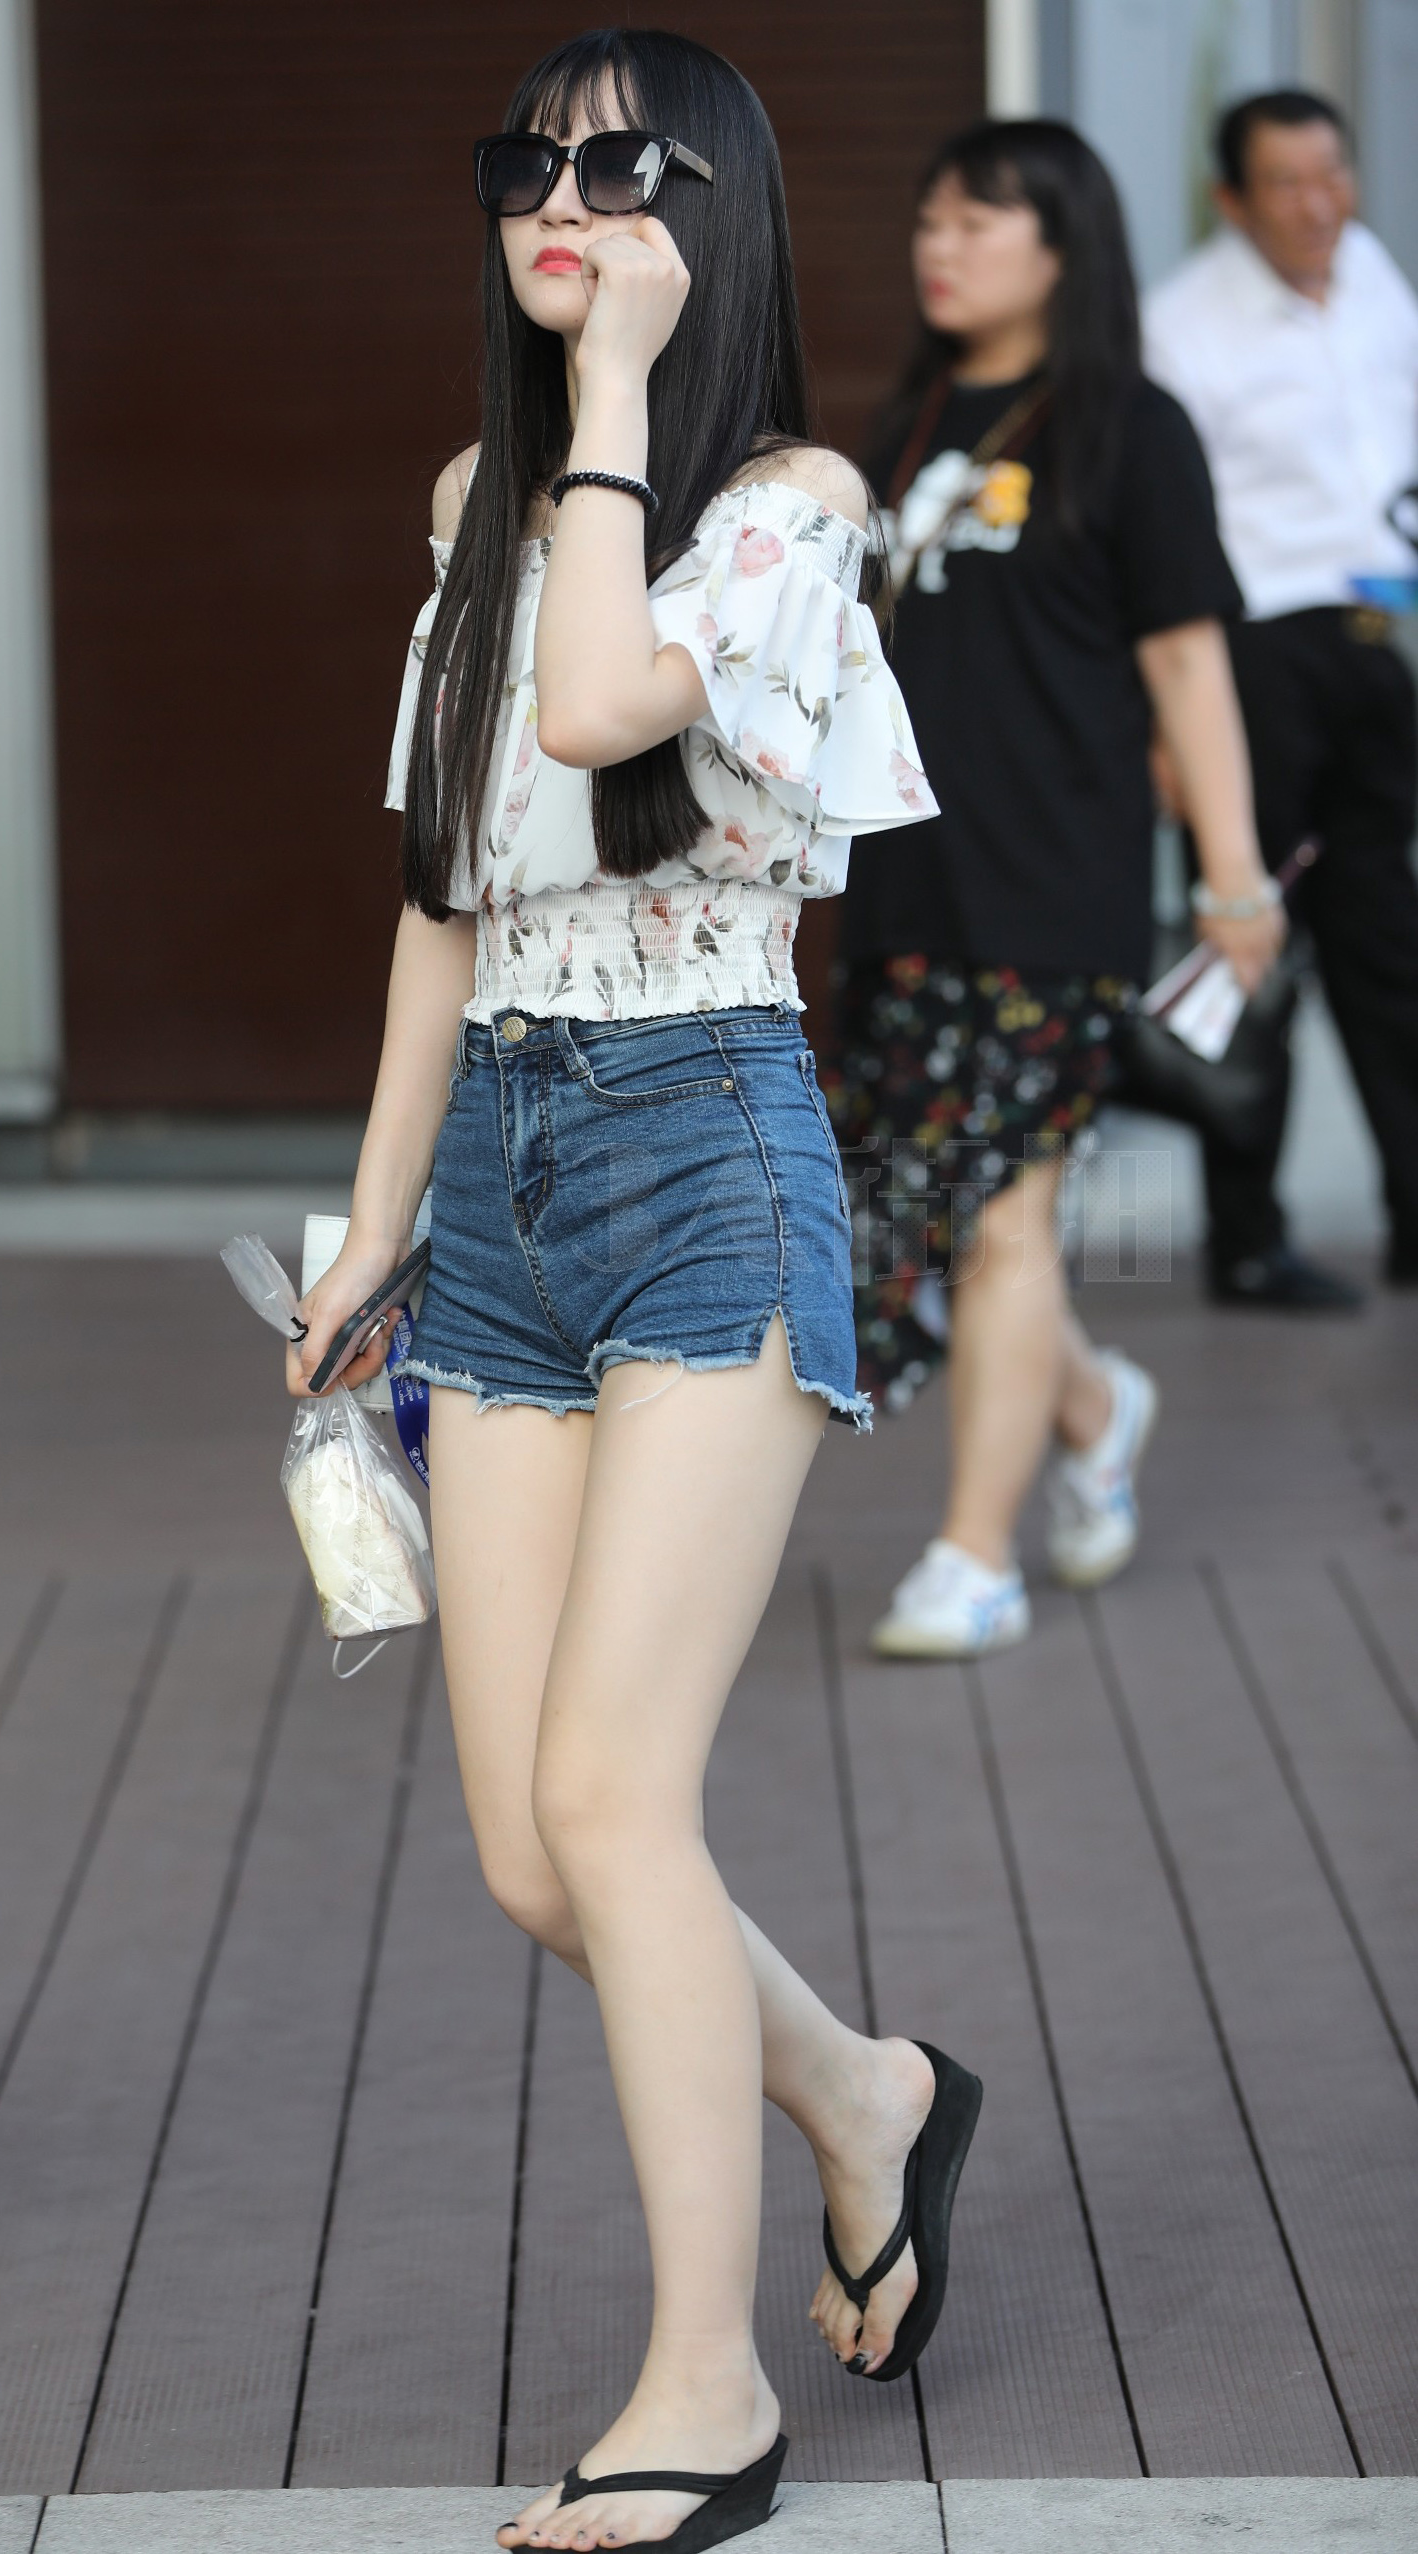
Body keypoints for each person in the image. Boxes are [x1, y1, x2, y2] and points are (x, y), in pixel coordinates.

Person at [290, 30, 980, 2553]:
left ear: (720, 212)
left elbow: (598, 710)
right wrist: (370, 1217)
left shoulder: (791, 505)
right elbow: (444, 888)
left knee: (612, 1797)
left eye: (617, 165)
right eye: (529, 164)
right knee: (526, 1852)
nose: (559, 200)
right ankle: (867, 2093)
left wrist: (602, 402)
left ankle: (704, 2380)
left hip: (707, 1148)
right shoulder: (474, 502)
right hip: (498, 1175)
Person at [835, 120, 1284, 1661]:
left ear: (1060, 245)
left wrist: (1230, 874)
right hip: (903, 885)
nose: (937, 246)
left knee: (1001, 1214)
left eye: (975, 221)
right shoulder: (902, 425)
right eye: (927, 219)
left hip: (1053, 887)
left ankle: (974, 1558)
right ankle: (1092, 1408)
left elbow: (1185, 661)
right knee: (931, 1208)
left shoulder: (1128, 427)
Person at [1144, 89, 1418, 1308]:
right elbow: (1158, 543)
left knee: (1386, 940)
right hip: (1250, 660)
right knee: (1249, 944)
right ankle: (1247, 1238)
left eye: (1331, 176)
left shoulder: (1372, 275)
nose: (1318, 206)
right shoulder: (1180, 326)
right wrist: (1167, 727)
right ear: (1231, 199)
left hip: (1368, 641)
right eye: (1287, 184)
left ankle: (1413, 1212)